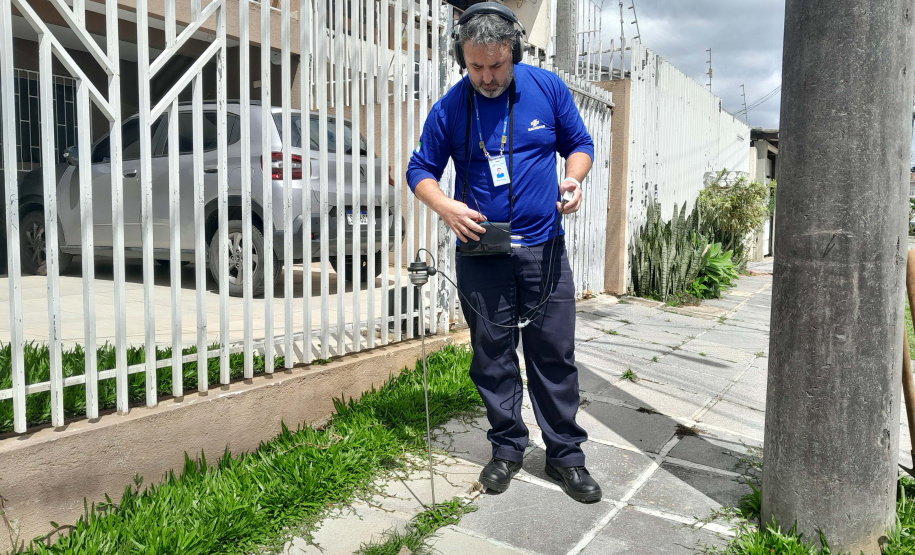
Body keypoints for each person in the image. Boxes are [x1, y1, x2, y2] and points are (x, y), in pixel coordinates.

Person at [406, 2, 600, 503]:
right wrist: (445, 207)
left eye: (496, 65)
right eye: (476, 67)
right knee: (492, 357)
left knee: (553, 353)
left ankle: (566, 456)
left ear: (513, 51)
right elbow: (419, 170)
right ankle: (507, 449)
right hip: (481, 252)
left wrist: (573, 179)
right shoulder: (451, 107)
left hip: (543, 247)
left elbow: (580, 143)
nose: (487, 77)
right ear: (462, 59)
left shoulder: (547, 88)